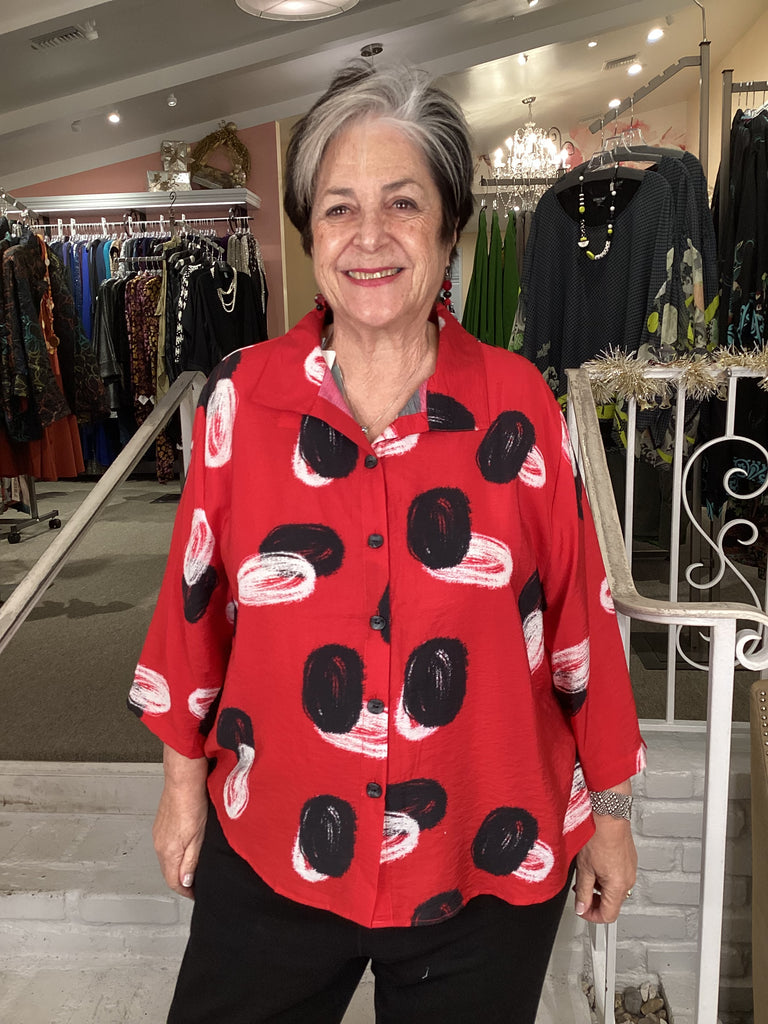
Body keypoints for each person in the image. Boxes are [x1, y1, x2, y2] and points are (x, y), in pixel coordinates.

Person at [129, 59, 644, 1024]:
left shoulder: (518, 406)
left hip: (483, 854)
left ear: (450, 230)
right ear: (310, 232)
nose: (369, 236)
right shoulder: (243, 397)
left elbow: (582, 621)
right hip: (277, 840)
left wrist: (609, 812)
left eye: (403, 203)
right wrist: (181, 787)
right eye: (339, 208)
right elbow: (195, 609)